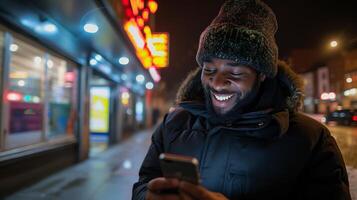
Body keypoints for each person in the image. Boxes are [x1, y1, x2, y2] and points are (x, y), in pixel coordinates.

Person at [132, 0, 351, 199]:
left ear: (262, 74)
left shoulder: (311, 139)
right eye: (209, 70)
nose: (217, 83)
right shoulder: (174, 124)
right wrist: (148, 196)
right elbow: (143, 183)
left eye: (235, 73)